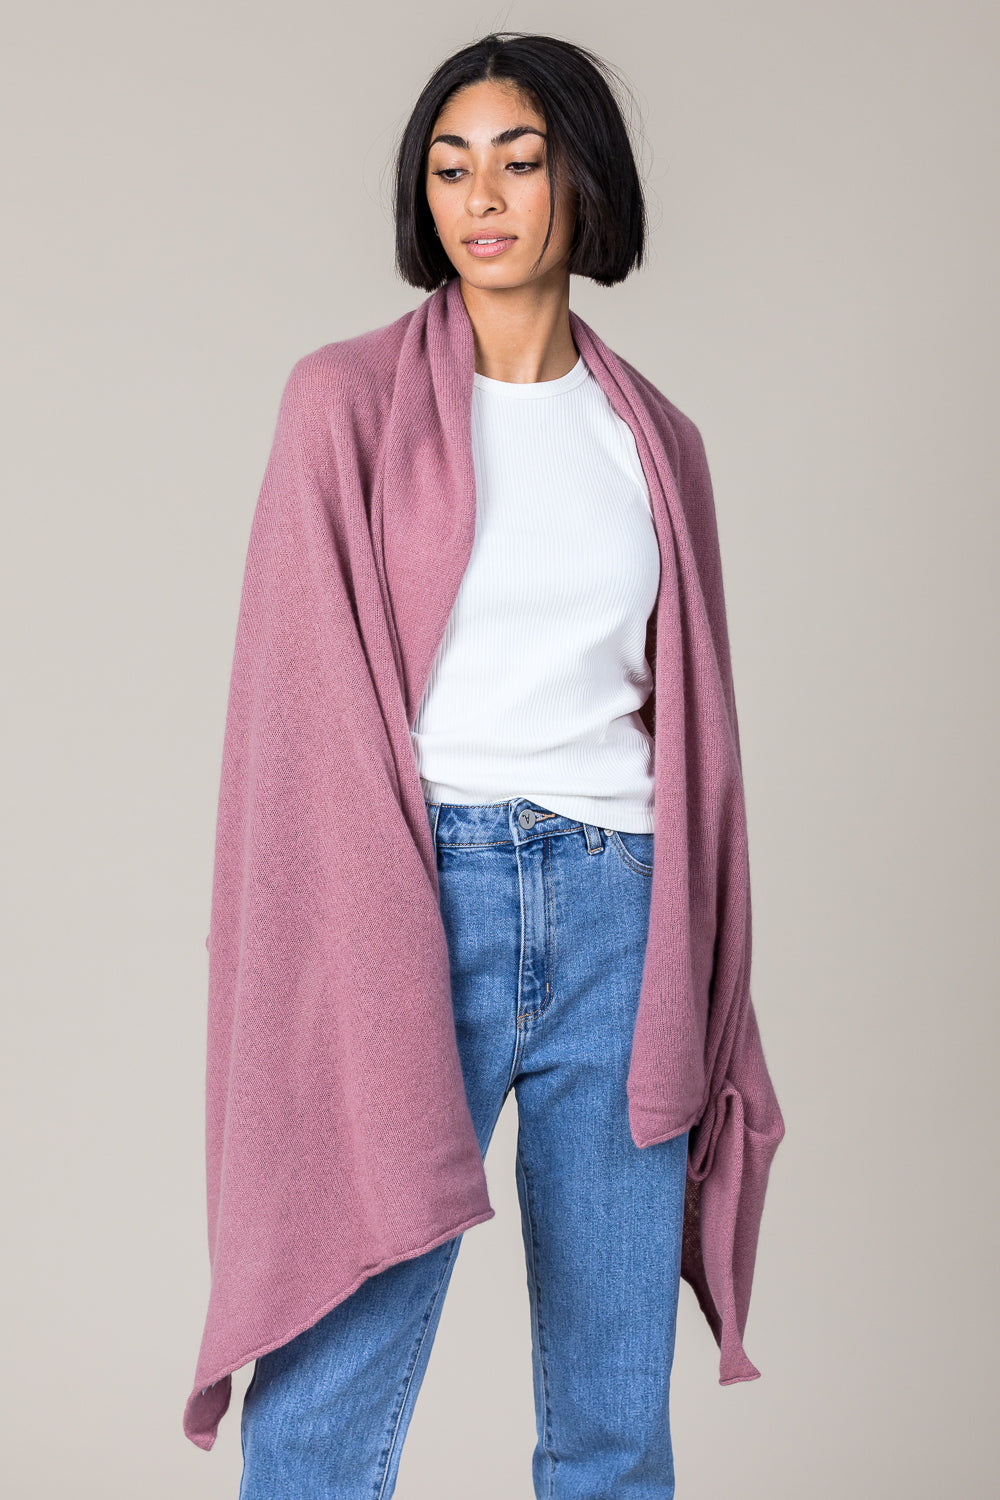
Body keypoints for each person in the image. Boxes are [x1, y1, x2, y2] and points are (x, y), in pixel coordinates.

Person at [228, 29, 770, 1500]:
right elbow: (300, 708)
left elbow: (693, 741)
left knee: (612, 1403)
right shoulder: (342, 402)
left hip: (622, 912)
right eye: (451, 167)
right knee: (330, 1380)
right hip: (423, 894)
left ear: (582, 181)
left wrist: (697, 953)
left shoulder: (656, 443)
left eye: (520, 162)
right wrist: (379, 915)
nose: (483, 197)